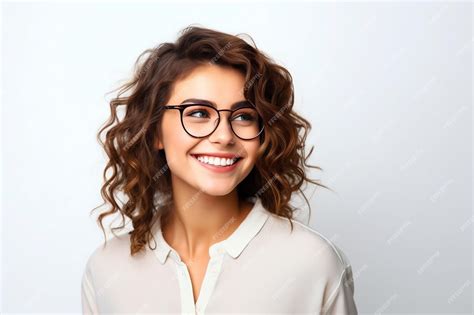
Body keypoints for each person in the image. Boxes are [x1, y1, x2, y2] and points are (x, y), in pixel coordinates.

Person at [81, 25, 358, 314]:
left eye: (243, 116)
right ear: (154, 132)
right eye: (199, 113)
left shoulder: (312, 263)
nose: (224, 136)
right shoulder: (105, 270)